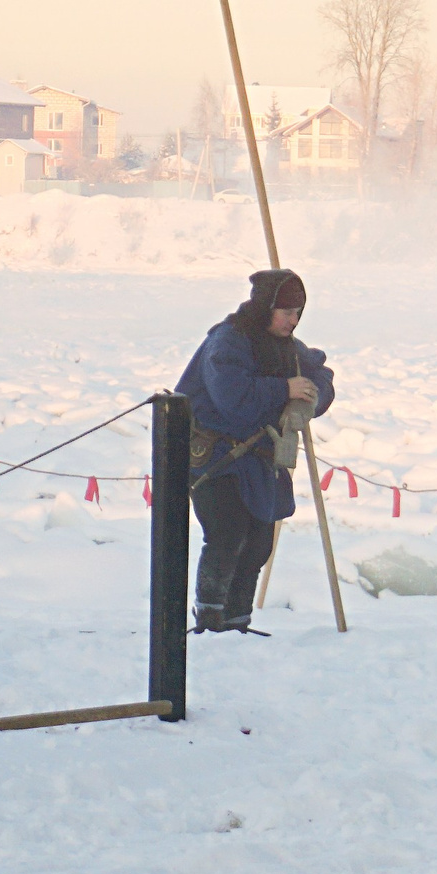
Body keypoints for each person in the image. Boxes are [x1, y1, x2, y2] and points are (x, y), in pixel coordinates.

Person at [176, 268, 336, 635]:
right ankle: (211, 621)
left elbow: (319, 374)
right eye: (286, 312)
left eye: (298, 313)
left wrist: (310, 396)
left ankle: (238, 623)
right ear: (265, 308)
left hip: (262, 463)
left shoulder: (288, 348)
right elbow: (233, 398)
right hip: (218, 459)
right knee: (227, 535)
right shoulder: (228, 341)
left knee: (258, 543)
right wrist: (284, 390)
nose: (293, 321)